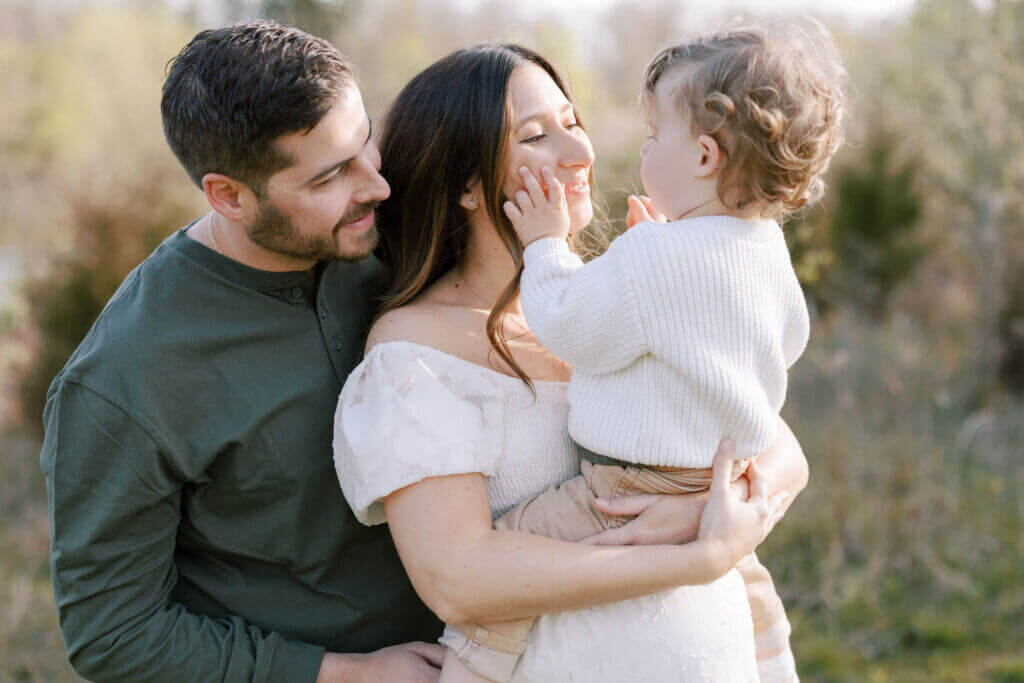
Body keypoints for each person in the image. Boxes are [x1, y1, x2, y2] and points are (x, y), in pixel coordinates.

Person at [333, 42, 811, 682]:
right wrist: (700, 555)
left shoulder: (607, 299)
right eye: (536, 136)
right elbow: (459, 579)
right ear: (468, 186)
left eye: (572, 121)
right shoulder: (415, 355)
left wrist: (698, 507)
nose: (581, 153)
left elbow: (778, 446)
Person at [40, 20, 449, 682]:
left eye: (365, 139)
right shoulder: (126, 376)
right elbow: (113, 634)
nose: (376, 184)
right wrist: (347, 674)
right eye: (330, 176)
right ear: (228, 195)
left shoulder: (392, 232)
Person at [446, 23, 847, 683]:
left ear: (704, 158)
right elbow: (784, 338)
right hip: (717, 477)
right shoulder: (765, 247)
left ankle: (466, 670)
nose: (641, 148)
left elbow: (570, 323)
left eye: (656, 135)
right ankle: (773, 661)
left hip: (627, 482)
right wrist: (660, 280)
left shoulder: (652, 256)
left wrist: (547, 244)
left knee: (517, 544)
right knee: (746, 579)